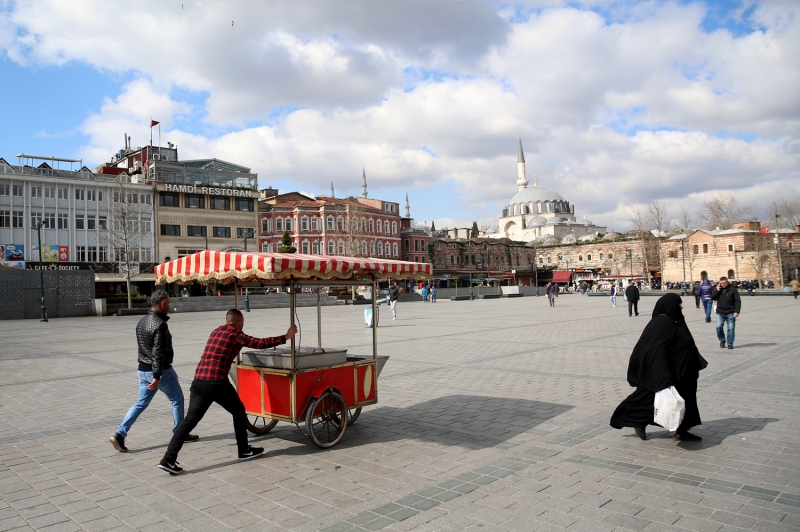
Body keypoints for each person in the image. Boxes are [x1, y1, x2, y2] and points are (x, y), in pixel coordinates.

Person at [157, 310, 297, 474]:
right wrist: (286, 336)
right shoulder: (236, 334)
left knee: (189, 421)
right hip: (216, 382)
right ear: (239, 322)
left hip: (199, 381)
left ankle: (168, 459)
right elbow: (259, 343)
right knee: (238, 410)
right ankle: (244, 451)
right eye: (242, 323)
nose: (242, 326)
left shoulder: (216, 331)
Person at [110, 290, 198, 452]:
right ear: (163, 304)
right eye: (169, 303)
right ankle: (180, 432)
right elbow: (158, 352)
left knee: (140, 403)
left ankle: (120, 434)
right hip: (160, 371)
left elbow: (144, 348)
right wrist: (157, 376)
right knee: (177, 399)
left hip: (142, 370)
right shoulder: (160, 325)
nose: (170, 305)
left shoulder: (142, 321)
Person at [610, 293, 705, 441]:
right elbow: (656, 351)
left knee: (685, 401)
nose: (681, 306)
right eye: (679, 304)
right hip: (670, 373)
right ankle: (637, 420)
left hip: (683, 373)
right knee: (651, 400)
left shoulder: (673, 321)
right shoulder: (662, 323)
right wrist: (663, 376)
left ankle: (682, 429)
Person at [711, 276, 741, 350]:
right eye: (721, 283)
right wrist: (717, 291)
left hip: (730, 312)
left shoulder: (733, 290)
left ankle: (730, 343)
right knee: (718, 327)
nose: (723, 285)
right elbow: (712, 297)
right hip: (720, 312)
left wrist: (736, 311)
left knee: (731, 328)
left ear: (727, 282)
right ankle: (722, 340)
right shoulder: (718, 289)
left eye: (724, 283)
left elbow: (737, 301)